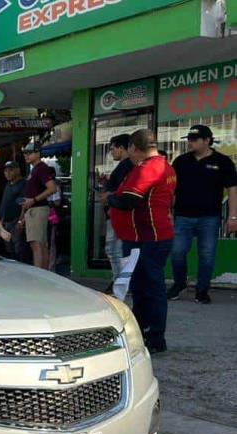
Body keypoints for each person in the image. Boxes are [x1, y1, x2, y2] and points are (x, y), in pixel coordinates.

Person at [108, 129, 176, 354]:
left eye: (129, 150)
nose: (129, 155)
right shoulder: (166, 166)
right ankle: (145, 332)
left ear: (134, 148)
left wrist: (109, 198)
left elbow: (129, 201)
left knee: (148, 287)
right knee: (143, 286)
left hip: (147, 237)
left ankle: (154, 337)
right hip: (150, 236)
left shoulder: (148, 168)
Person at [167, 125, 237, 304]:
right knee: (177, 252)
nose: (190, 142)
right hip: (182, 216)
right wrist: (168, 211)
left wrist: (233, 216)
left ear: (207, 140)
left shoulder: (223, 162)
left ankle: (202, 290)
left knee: (206, 254)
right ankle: (179, 284)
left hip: (209, 217)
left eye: (194, 139)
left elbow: (232, 190)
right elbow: (171, 189)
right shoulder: (181, 161)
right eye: (188, 139)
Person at [99, 134, 134, 293]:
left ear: (122, 148)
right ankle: (119, 281)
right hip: (115, 212)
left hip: (119, 213)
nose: (111, 152)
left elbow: (123, 192)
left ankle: (120, 282)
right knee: (115, 249)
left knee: (114, 249)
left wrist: (109, 197)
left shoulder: (127, 166)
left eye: (113, 148)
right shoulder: (123, 166)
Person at [20, 142, 58, 270]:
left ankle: (39, 275)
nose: (26, 155)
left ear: (37, 153)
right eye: (25, 153)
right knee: (39, 244)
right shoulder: (36, 168)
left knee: (37, 244)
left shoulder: (41, 168)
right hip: (34, 209)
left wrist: (34, 200)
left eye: (29, 153)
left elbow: (52, 188)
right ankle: (43, 274)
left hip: (37, 209)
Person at [0, 161, 30, 262]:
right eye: (5, 171)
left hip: (16, 222)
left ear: (17, 170)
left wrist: (21, 221)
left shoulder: (23, 184)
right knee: (9, 251)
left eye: (10, 170)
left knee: (19, 250)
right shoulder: (7, 185)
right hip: (6, 223)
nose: (7, 173)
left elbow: (24, 205)